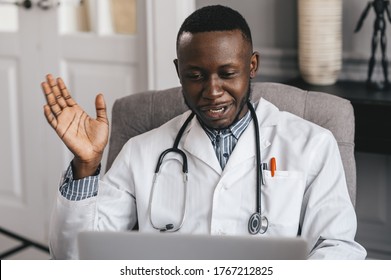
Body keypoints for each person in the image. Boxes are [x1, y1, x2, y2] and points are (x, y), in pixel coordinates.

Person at [42, 5, 366, 259]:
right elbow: (77, 259)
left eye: (228, 73)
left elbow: (337, 247)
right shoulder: (142, 152)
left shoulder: (311, 144)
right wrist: (86, 168)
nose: (213, 91)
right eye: (195, 75)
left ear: (252, 66)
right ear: (178, 72)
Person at [355, 0, 391, 89]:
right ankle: (376, 79)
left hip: (379, 25)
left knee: (379, 54)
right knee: (378, 54)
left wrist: (359, 26)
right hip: (379, 24)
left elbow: (364, 15)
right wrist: (358, 26)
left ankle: (384, 79)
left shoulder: (382, 3)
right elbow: (364, 15)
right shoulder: (379, 3)